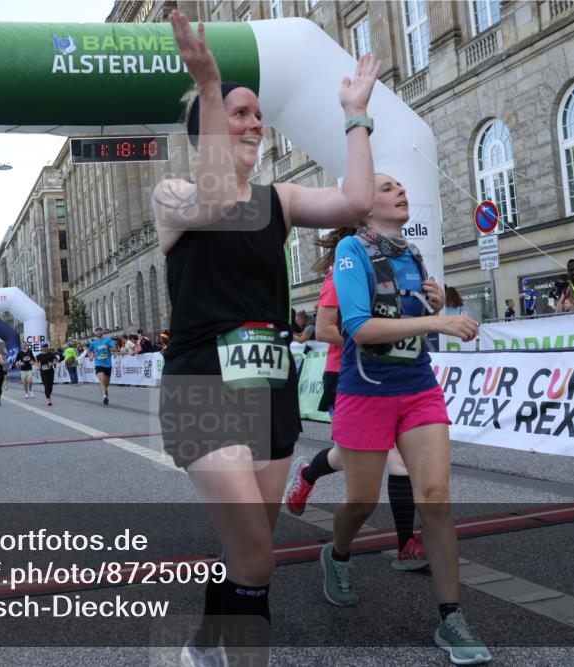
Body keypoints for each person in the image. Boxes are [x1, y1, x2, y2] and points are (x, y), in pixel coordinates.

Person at [153, 11, 380, 666]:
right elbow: (217, 204)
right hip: (203, 385)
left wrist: (354, 115)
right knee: (258, 553)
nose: (255, 122)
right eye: (238, 113)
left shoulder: (279, 200)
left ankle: (205, 638)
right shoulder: (173, 194)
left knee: (247, 548)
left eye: (256, 114)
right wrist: (209, 83)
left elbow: (357, 201)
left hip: (270, 385)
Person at [324, 173, 490, 664]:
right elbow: (359, 327)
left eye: (402, 184)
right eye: (387, 186)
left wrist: (433, 302)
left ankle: (451, 618)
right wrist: (437, 319)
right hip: (366, 393)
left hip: (418, 389)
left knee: (435, 500)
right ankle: (336, 553)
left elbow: (409, 311)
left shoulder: (410, 255)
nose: (400, 190)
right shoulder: (351, 249)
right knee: (360, 501)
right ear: (363, 205)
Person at [285, 227, 432, 572]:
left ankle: (405, 544)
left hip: (394, 374)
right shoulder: (343, 270)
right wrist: (367, 337)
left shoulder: (396, 266)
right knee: (351, 458)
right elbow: (322, 330)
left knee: (397, 459)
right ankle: (308, 473)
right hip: (350, 374)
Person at [88, 326, 118, 405]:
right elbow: (89, 350)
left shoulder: (107, 340)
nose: (98, 332)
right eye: (96, 331)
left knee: (106, 382)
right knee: (101, 380)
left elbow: (115, 349)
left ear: (102, 332)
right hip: (99, 364)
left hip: (108, 364)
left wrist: (108, 348)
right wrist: (90, 356)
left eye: (99, 330)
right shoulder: (93, 343)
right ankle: (104, 397)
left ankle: (105, 390)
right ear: (95, 333)